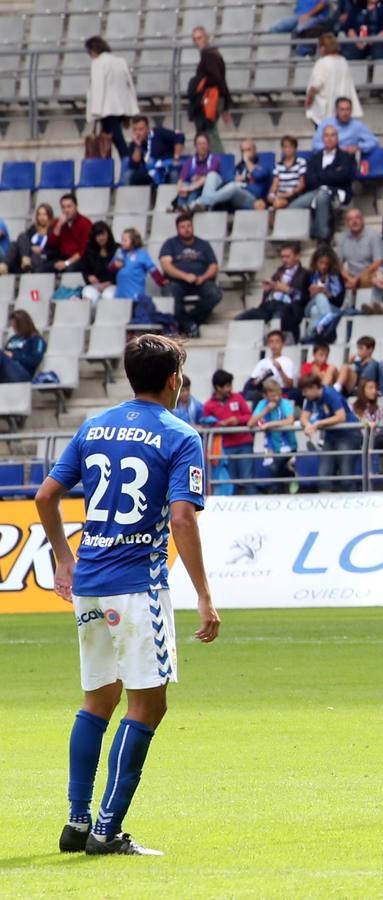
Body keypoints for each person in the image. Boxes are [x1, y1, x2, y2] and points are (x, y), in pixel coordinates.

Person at [35, 335, 217, 859]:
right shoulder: (179, 435)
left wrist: (62, 557)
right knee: (148, 705)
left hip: (89, 582)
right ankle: (107, 830)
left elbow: (47, 496)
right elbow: (182, 516)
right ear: (173, 380)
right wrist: (204, 594)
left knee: (98, 699)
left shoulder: (95, 426)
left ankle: (76, 821)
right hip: (138, 587)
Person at [158, 214, 221, 338]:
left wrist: (203, 278)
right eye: (183, 227)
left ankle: (188, 321)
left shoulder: (204, 244)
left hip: (200, 281)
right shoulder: (170, 244)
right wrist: (185, 276)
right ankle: (189, 324)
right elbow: (166, 265)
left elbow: (213, 266)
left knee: (215, 293)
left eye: (189, 226)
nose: (186, 229)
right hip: (177, 282)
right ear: (177, 229)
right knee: (170, 296)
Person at [292, 125, 356, 241]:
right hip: (316, 191)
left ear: (337, 138)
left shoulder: (347, 157)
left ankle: (323, 237)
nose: (329, 138)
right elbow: (310, 179)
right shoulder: (314, 158)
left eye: (332, 135)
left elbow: (345, 176)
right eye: (326, 135)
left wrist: (321, 176)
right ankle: (299, 237)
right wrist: (331, 174)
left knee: (322, 195)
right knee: (294, 206)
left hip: (337, 192)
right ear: (322, 138)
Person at [299, 372, 359, 491]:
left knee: (346, 476)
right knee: (323, 478)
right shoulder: (311, 398)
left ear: (314, 387)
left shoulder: (331, 394)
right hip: (331, 436)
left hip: (348, 434)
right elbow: (303, 417)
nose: (303, 394)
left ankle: (353, 503)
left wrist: (317, 424)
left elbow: (341, 417)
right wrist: (308, 425)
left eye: (305, 391)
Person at [238, 244, 309, 340]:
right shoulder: (278, 273)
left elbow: (305, 297)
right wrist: (267, 290)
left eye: (287, 256)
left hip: (289, 308)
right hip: (270, 306)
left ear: (297, 256)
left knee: (278, 318)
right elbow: (266, 297)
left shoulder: (305, 274)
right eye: (282, 257)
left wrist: (287, 290)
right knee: (242, 318)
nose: (284, 260)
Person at [201, 369, 254, 494]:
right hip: (225, 447)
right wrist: (220, 424)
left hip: (244, 444)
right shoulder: (208, 405)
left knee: (248, 479)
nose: (230, 388)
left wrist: (237, 420)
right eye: (227, 386)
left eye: (230, 385)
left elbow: (249, 416)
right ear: (218, 387)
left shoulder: (238, 398)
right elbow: (207, 424)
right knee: (231, 482)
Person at [84, 37, 139, 159]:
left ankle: (129, 162)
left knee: (118, 140)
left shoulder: (98, 63)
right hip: (121, 106)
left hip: (106, 108)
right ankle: (128, 159)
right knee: (115, 138)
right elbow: (128, 84)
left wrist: (95, 112)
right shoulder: (120, 61)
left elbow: (98, 87)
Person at [248, 378, 299, 492]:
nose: (276, 398)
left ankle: (277, 490)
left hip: (288, 444)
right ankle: (290, 478)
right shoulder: (263, 404)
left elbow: (290, 420)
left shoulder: (285, 403)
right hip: (272, 445)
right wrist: (266, 410)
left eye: (277, 395)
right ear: (265, 395)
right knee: (275, 469)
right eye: (272, 395)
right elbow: (250, 423)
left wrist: (270, 424)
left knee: (276, 467)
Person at [189, 28, 232, 154]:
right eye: (195, 39)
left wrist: (200, 83)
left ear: (206, 37)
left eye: (200, 37)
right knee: (210, 133)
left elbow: (217, 79)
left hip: (212, 99)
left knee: (210, 133)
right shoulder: (213, 54)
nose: (198, 42)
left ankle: (219, 160)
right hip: (217, 98)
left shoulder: (208, 55)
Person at [304, 34, 363, 126]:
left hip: (326, 112)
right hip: (342, 111)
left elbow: (316, 85)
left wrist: (309, 98)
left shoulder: (322, 63)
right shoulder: (343, 61)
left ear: (323, 48)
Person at [198, 139, 270, 211]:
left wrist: (247, 161)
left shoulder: (262, 164)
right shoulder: (240, 166)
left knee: (233, 187)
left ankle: (201, 203)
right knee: (212, 175)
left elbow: (258, 175)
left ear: (254, 150)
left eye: (248, 150)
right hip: (235, 195)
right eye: (243, 151)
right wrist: (235, 179)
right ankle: (202, 204)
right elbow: (225, 178)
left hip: (253, 198)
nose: (245, 153)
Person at [120, 117, 184, 188]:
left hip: (166, 167)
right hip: (149, 171)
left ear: (147, 128)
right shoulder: (134, 143)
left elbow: (179, 137)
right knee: (128, 175)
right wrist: (138, 146)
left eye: (141, 129)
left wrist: (176, 158)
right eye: (135, 130)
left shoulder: (158, 132)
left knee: (174, 174)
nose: (137, 133)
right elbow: (134, 165)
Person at [310, 97, 379, 157]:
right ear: (336, 111)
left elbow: (374, 142)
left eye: (348, 109)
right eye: (342, 109)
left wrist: (358, 147)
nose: (345, 113)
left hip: (349, 159)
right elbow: (315, 145)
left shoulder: (357, 125)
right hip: (328, 157)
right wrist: (333, 149)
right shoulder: (326, 123)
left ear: (351, 110)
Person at [336, 208, 383, 290]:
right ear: (347, 223)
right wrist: (349, 279)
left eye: (357, 218)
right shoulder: (342, 238)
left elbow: (378, 261)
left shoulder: (374, 236)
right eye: (350, 219)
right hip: (351, 276)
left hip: (370, 273)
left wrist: (359, 278)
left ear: (362, 220)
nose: (354, 221)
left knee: (369, 279)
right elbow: (338, 264)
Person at [172, 134, 221, 212]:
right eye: (199, 144)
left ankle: (185, 209)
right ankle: (181, 209)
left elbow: (205, 178)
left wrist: (188, 189)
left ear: (208, 145)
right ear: (195, 146)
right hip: (190, 188)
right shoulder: (190, 161)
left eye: (204, 143)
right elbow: (181, 179)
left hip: (204, 189)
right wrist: (180, 189)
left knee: (193, 190)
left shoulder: (214, 160)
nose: (202, 146)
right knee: (184, 185)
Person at [246, 330, 298, 402]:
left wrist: (280, 369)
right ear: (268, 344)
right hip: (264, 391)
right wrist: (262, 376)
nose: (274, 345)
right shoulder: (262, 362)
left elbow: (289, 385)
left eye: (277, 341)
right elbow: (253, 382)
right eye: (271, 342)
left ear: (282, 344)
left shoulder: (288, 361)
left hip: (281, 391)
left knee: (294, 393)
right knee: (250, 393)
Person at [48, 194, 93, 277]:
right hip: (62, 256)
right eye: (63, 207)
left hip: (79, 259)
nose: (66, 210)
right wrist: (58, 225)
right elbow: (51, 244)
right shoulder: (58, 222)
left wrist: (66, 263)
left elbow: (83, 251)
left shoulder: (85, 223)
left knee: (71, 269)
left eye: (69, 206)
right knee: (43, 267)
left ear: (76, 206)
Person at [304, 245, 346, 334]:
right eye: (321, 263)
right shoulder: (308, 275)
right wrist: (311, 295)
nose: (323, 266)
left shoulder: (336, 277)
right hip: (310, 304)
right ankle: (327, 322)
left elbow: (339, 302)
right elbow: (302, 299)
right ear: (315, 262)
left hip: (332, 307)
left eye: (326, 264)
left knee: (315, 311)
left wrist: (327, 293)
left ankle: (313, 335)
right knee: (319, 297)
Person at [0, 310, 46, 383]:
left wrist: (14, 356)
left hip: (23, 374)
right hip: (7, 372)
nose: (15, 330)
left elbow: (35, 360)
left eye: (16, 327)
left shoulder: (37, 339)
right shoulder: (13, 339)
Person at [113, 228, 159, 301]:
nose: (122, 243)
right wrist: (114, 266)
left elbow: (152, 268)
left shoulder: (142, 254)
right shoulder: (119, 253)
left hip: (135, 294)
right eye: (122, 240)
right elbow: (110, 268)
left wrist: (161, 281)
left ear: (134, 241)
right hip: (120, 294)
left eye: (125, 240)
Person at [80, 222, 119, 303]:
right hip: (95, 286)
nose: (101, 238)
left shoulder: (117, 250)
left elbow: (121, 271)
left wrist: (109, 283)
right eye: (98, 236)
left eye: (103, 234)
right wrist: (89, 277)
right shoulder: (89, 252)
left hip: (113, 285)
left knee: (108, 296)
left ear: (108, 234)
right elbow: (85, 270)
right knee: (87, 294)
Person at [267, 135, 308, 210]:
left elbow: (301, 185)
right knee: (260, 204)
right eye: (285, 147)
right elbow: (275, 183)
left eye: (291, 147)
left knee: (277, 204)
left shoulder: (301, 162)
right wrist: (271, 194)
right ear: (282, 149)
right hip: (280, 195)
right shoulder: (278, 165)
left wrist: (289, 194)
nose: (288, 149)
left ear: (295, 148)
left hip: (294, 195)